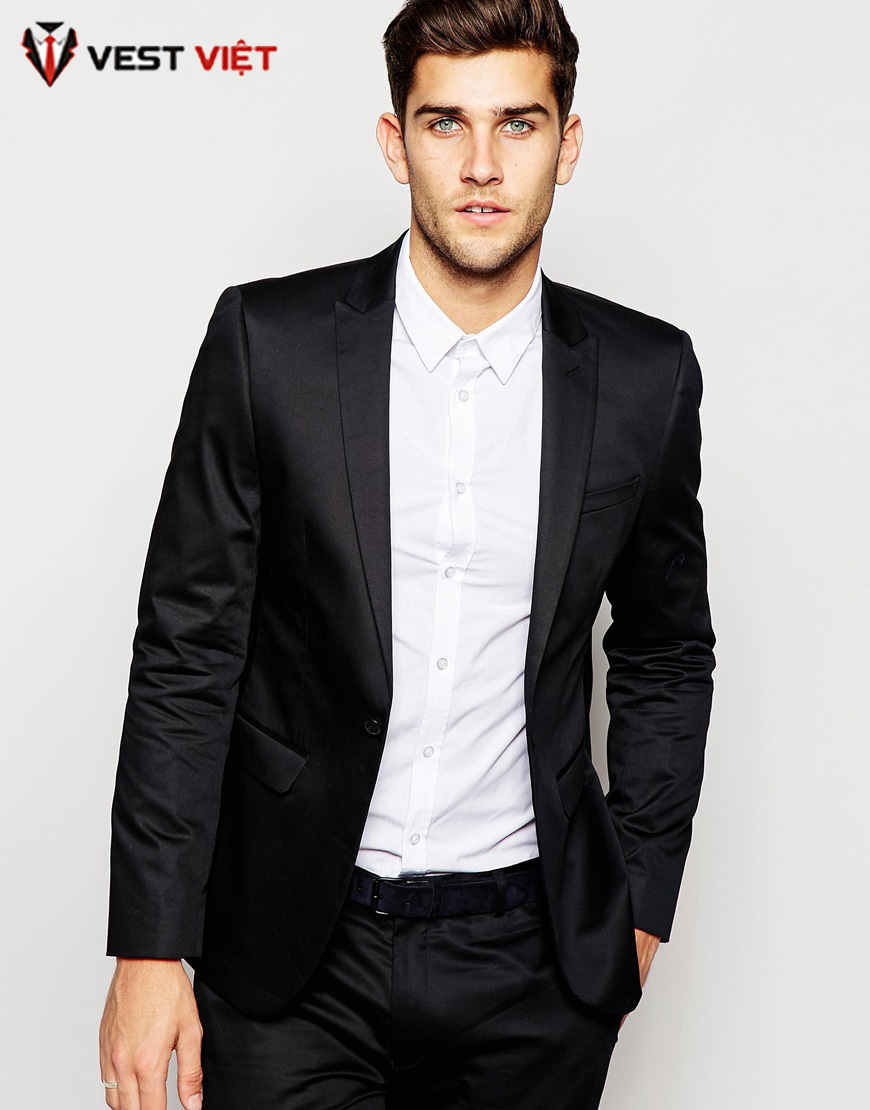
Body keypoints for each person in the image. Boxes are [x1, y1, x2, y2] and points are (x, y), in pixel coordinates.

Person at [98, 1, 716, 1107]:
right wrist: (150, 947)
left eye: (518, 124)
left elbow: (667, 650)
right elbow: (186, 654)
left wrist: (639, 904)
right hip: (291, 952)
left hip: (535, 963)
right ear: (396, 142)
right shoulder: (267, 346)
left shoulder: (645, 377)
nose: (482, 165)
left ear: (568, 144)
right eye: (444, 124)